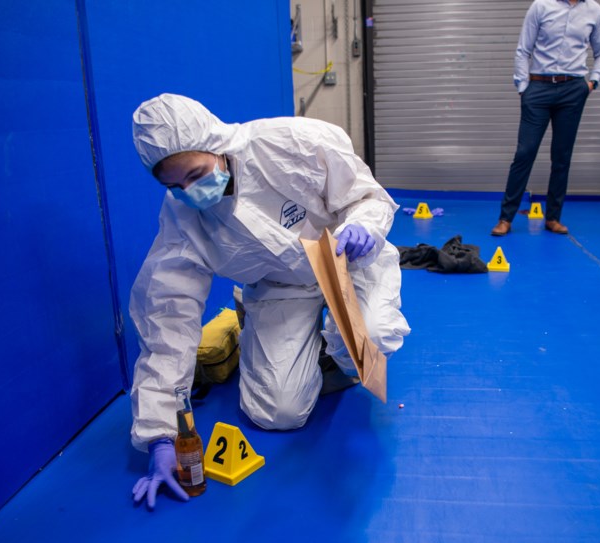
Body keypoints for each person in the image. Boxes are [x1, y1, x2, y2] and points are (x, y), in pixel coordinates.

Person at [128, 94, 410, 509]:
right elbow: (168, 318)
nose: (190, 192)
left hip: (346, 259)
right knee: (277, 412)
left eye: (196, 174)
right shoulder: (181, 218)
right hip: (281, 287)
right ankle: (276, 331)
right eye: (174, 185)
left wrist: (363, 227)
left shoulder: (294, 142)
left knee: (373, 337)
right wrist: (160, 435)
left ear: (217, 144)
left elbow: (368, 197)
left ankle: (333, 352)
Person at [491, 0, 600, 237]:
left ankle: (553, 218)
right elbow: (523, 49)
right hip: (539, 88)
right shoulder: (541, 6)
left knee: (562, 155)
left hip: (573, 89)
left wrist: (592, 82)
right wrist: (523, 87)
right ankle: (506, 218)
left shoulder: (594, 10)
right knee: (525, 152)